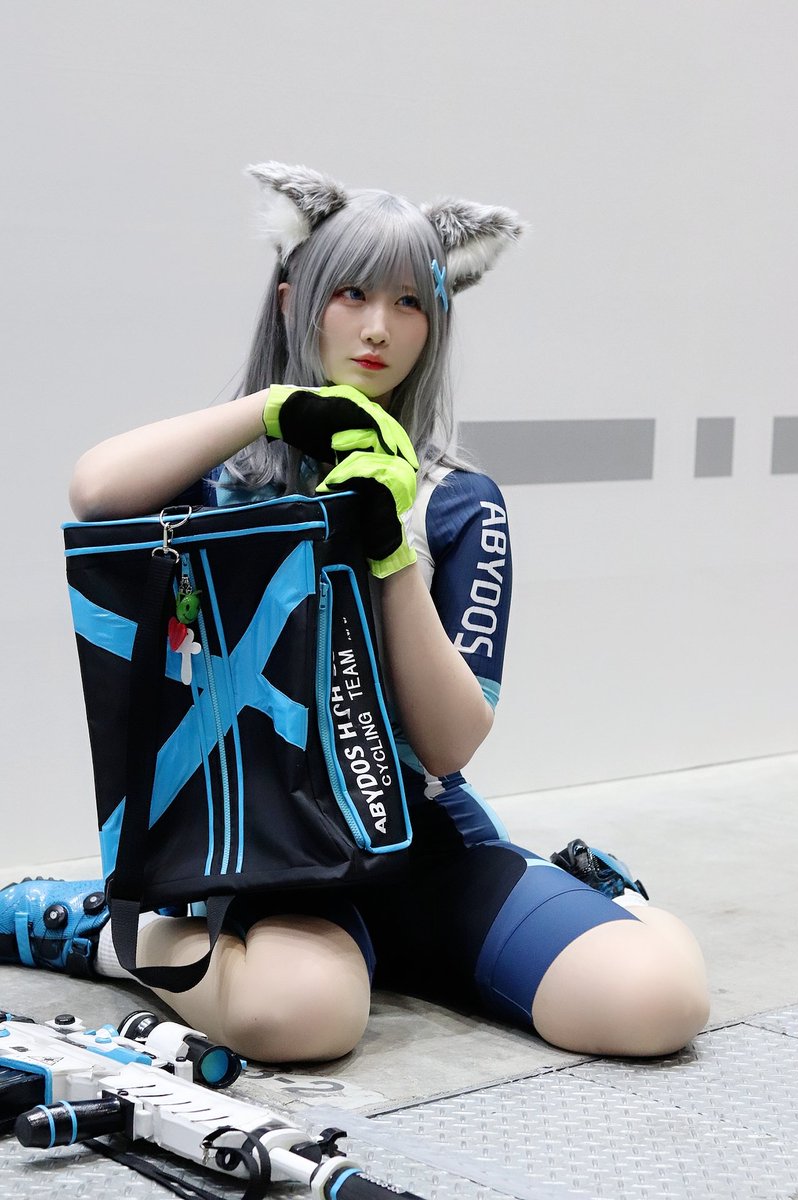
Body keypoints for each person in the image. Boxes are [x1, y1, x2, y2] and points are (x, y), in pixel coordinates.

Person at [1, 162, 709, 1064]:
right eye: (352, 293)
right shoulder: (226, 479)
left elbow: (449, 745)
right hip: (273, 841)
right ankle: (100, 929)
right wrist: (272, 409)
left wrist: (392, 548)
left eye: (410, 302)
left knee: (658, 1003)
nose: (379, 327)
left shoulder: (458, 500)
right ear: (295, 301)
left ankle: (591, 901)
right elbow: (95, 491)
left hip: (420, 831)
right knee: (301, 1019)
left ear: (436, 323)